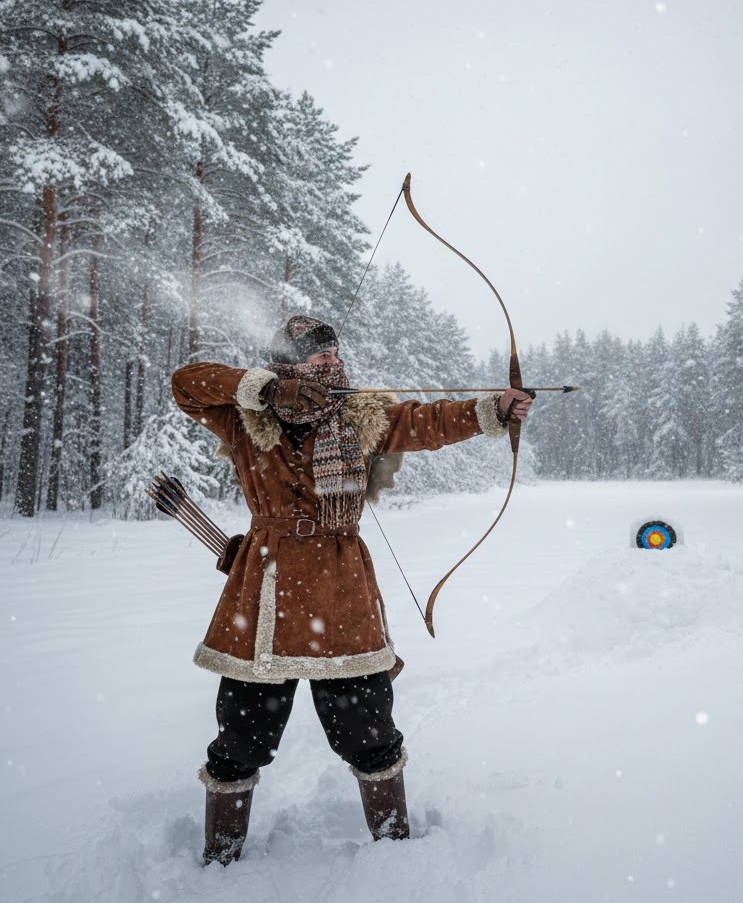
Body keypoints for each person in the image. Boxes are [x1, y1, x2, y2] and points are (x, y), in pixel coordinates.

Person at [171, 315, 532, 865]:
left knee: (368, 729)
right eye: (321, 360)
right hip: (262, 593)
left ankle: (393, 852)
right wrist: (263, 389)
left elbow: (427, 421)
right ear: (289, 366)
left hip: (341, 592)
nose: (334, 365)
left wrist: (494, 410)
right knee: (242, 736)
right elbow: (187, 383)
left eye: (337, 356)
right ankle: (220, 858)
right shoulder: (246, 418)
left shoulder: (359, 415)